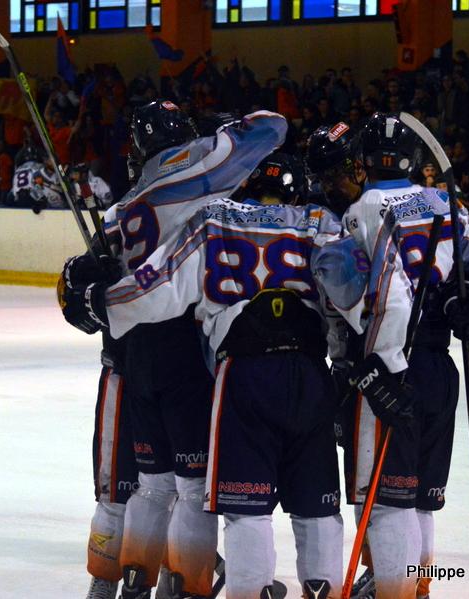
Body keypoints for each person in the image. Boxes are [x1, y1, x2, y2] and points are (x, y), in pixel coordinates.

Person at [64, 150, 373, 599]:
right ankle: (321, 588)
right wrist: (361, 361)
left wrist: (105, 301)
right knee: (317, 508)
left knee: (244, 508)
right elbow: (357, 296)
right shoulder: (322, 221)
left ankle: (235, 588)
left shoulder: (216, 219)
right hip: (309, 375)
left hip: (240, 374)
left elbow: (160, 287)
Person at [307, 115, 469, 599]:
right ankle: (416, 590)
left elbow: (387, 295)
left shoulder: (363, 209)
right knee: (421, 499)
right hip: (439, 370)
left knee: (388, 504)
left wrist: (382, 368)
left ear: (362, 162)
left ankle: (396, 592)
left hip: (392, 370)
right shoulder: (442, 203)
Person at [75, 100, 288, 599]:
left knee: (152, 485)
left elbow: (97, 282)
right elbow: (271, 127)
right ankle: (184, 587)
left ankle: (132, 586)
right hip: (185, 345)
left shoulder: (119, 209)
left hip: (135, 354)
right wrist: (219, 129)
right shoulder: (203, 163)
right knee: (192, 487)